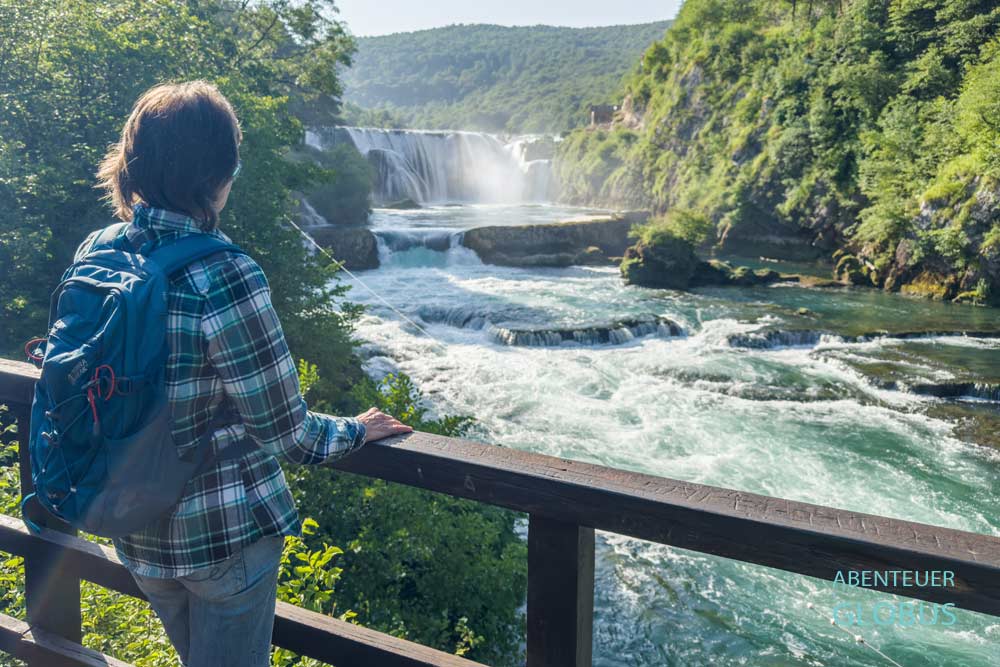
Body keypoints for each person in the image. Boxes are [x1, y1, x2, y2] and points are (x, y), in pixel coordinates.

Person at [89, 80, 413, 667]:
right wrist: (359, 429)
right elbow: (289, 433)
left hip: (133, 530)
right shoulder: (225, 273)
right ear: (216, 175)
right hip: (221, 540)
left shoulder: (101, 252)